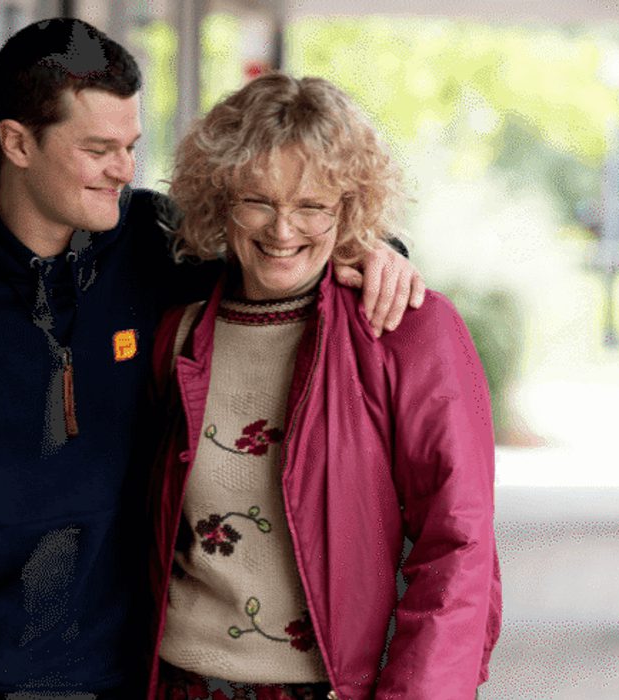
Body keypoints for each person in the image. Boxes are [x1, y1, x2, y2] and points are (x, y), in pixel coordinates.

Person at [0, 19, 425, 699]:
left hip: (122, 677)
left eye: (131, 146)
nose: (124, 169)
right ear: (18, 141)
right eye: (99, 149)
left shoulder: (157, 246)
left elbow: (283, 251)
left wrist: (375, 252)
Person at [145, 73, 502, 700]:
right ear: (220, 198)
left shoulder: (408, 330)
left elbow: (459, 546)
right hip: (182, 681)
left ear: (350, 209)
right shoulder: (177, 333)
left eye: (312, 206)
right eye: (258, 200)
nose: (283, 230)